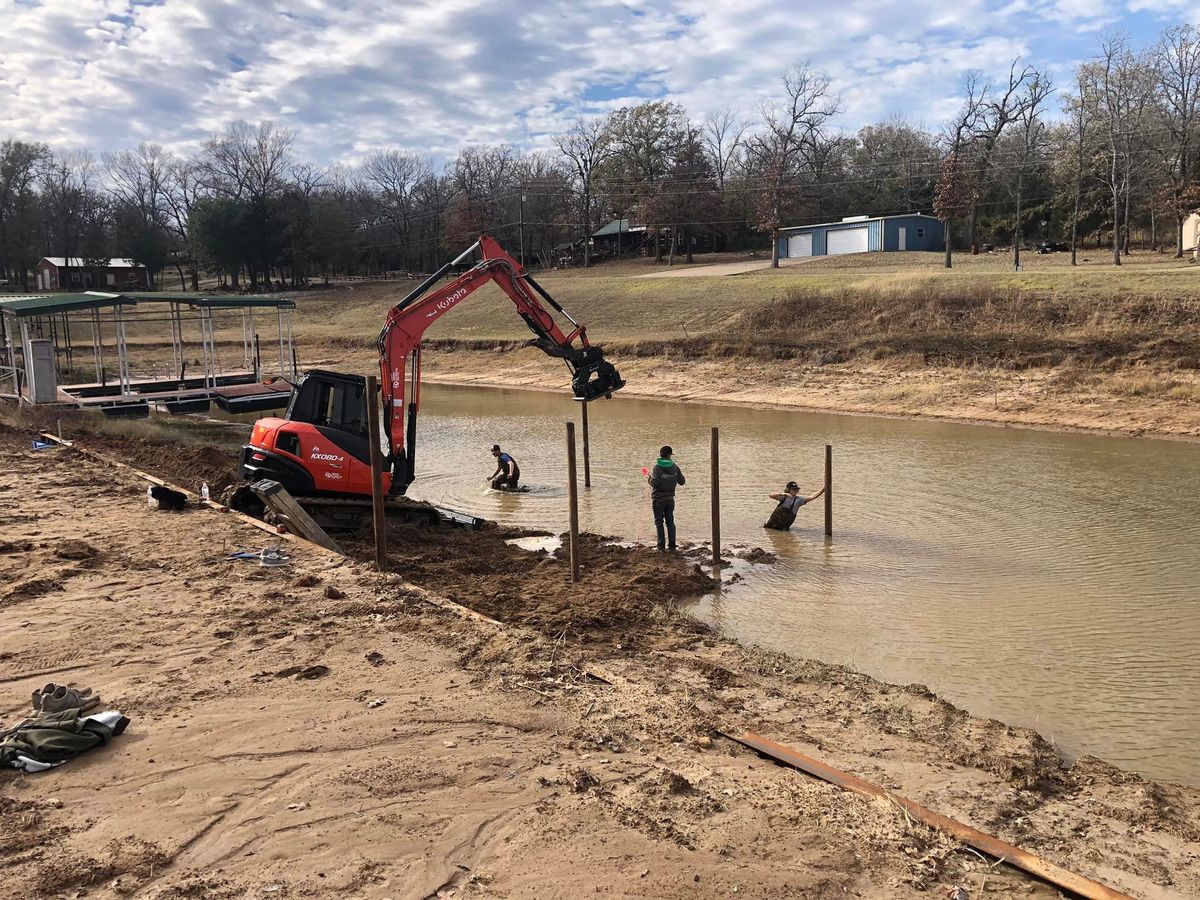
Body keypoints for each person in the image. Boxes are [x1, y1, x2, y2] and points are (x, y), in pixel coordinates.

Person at [647, 445, 685, 551]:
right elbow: (682, 482)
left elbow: (655, 483)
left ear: (660, 455)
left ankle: (661, 546)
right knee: (670, 522)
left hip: (658, 499)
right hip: (670, 499)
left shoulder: (657, 467)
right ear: (669, 456)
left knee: (659, 522)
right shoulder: (675, 467)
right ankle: (672, 545)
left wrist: (648, 478)